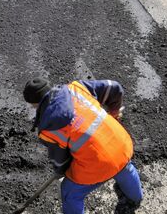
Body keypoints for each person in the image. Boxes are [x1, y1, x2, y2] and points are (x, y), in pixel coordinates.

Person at [23, 77, 143, 214]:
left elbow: (60, 161)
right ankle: (136, 198)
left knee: (69, 191)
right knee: (124, 167)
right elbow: (114, 87)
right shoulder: (76, 88)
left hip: (99, 165)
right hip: (122, 144)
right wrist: (114, 113)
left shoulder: (47, 128)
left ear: (35, 104)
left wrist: (62, 171)